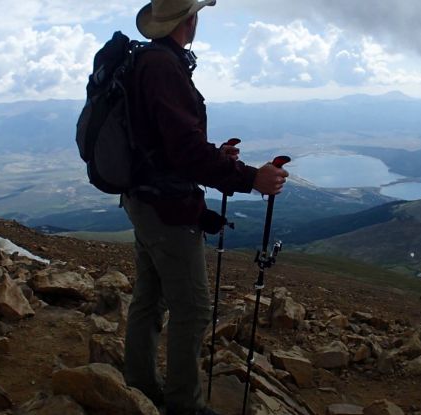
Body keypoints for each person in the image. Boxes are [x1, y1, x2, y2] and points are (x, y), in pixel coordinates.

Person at [122, 1, 289, 414]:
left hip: (142, 198)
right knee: (192, 308)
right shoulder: (163, 67)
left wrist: (216, 157)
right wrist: (251, 178)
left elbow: (166, 145)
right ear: (188, 20)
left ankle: (139, 383)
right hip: (164, 208)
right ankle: (184, 405)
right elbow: (183, 151)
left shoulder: (147, 62)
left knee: (150, 296)